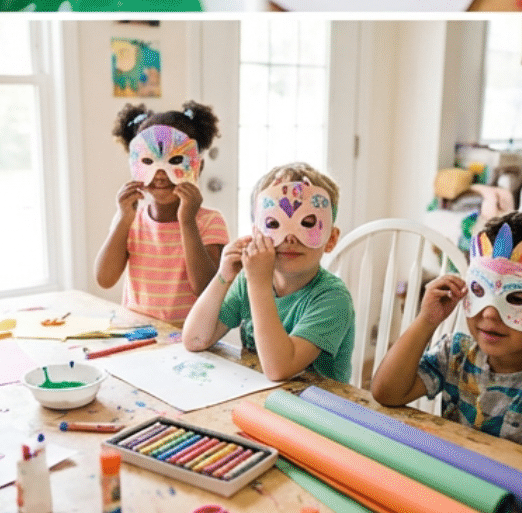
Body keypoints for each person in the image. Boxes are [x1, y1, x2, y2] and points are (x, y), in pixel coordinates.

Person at [371, 207, 522, 456]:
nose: (489, 314)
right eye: (480, 290)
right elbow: (386, 392)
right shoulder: (455, 355)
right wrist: (425, 321)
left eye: (516, 298)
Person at [182, 162, 356, 382]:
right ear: (257, 234)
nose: (290, 238)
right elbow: (195, 340)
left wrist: (258, 282)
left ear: (330, 239)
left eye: (308, 223)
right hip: (259, 398)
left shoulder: (333, 299)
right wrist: (223, 276)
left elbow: (279, 370)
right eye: (274, 223)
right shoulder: (248, 280)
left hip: (319, 408)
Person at [93, 101, 228, 323]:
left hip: (189, 337)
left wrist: (187, 222)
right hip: (138, 334)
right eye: (149, 160)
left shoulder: (209, 222)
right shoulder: (130, 218)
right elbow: (105, 279)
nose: (160, 173)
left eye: (174, 160)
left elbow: (206, 288)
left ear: (198, 166)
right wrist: (122, 220)